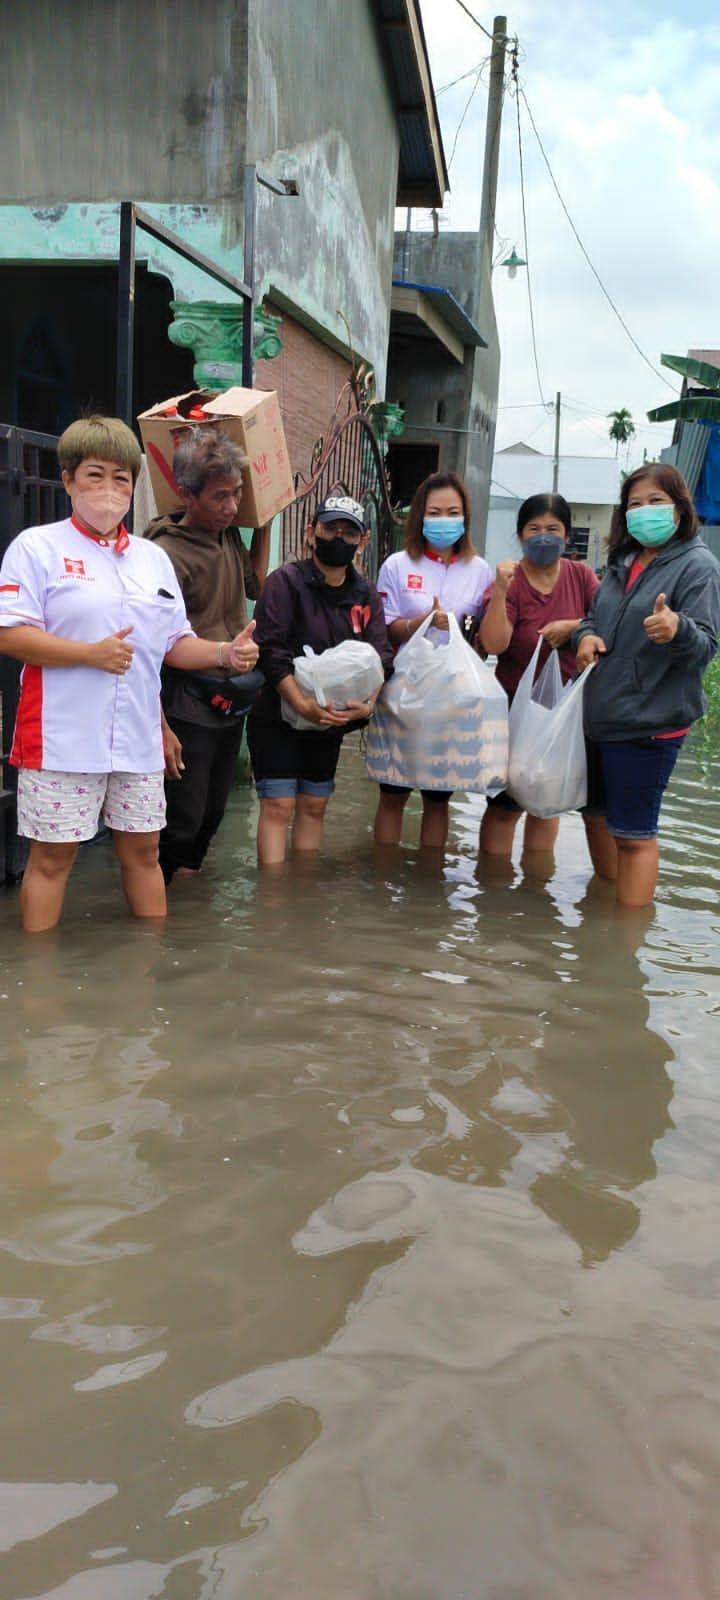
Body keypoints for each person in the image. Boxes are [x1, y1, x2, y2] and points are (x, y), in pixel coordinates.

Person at [0, 415, 258, 933]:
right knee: (53, 861)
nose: (109, 489)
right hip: (62, 739)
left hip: (137, 741)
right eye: (95, 475)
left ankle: (147, 979)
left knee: (144, 853)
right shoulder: (37, 548)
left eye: (122, 478)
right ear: (69, 479)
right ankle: (39, 987)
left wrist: (224, 654)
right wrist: (86, 654)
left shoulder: (150, 560)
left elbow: (172, 644)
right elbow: (9, 634)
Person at [575, 462, 720, 908]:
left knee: (635, 836)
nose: (644, 511)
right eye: (634, 504)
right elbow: (592, 618)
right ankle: (601, 919)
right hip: (601, 715)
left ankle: (626, 945)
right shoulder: (621, 564)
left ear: (679, 508)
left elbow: (707, 645)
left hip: (648, 722)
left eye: (656, 501)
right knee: (595, 817)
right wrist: (585, 637)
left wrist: (676, 628)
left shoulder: (698, 567)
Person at [144, 429, 270, 883]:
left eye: (238, 495)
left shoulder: (228, 537)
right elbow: (151, 648)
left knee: (213, 814)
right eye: (220, 497)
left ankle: (182, 910)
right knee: (182, 818)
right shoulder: (165, 553)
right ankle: (155, 904)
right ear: (186, 493)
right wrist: (160, 726)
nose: (232, 507)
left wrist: (265, 521)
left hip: (228, 700)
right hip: (187, 703)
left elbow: (254, 583)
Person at [247, 494, 393, 865]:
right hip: (278, 714)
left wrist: (370, 703)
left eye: (349, 532)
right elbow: (271, 651)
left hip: (329, 719)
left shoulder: (366, 595)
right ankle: (275, 898)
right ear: (312, 532)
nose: (338, 538)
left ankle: (303, 894)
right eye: (331, 528)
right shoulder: (285, 583)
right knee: (278, 805)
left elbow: (381, 657)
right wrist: (301, 704)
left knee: (314, 805)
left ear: (363, 542)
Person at [372, 470, 492, 848]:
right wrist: (421, 624)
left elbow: (483, 638)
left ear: (465, 517)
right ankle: (383, 875)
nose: (444, 520)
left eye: (452, 512)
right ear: (420, 516)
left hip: (452, 697)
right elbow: (385, 629)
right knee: (392, 793)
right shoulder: (396, 566)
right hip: (403, 693)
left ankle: (430, 884)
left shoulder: (480, 571)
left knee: (438, 798)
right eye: (435, 512)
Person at [478, 492, 600, 857]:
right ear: (519, 536)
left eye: (552, 529)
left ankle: (536, 890)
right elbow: (495, 644)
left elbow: (608, 621)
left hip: (563, 713)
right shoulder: (511, 581)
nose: (543, 537)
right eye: (534, 529)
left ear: (566, 536)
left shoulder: (581, 576)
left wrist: (574, 627)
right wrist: (500, 591)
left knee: (546, 805)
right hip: (514, 708)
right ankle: (493, 889)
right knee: (504, 805)